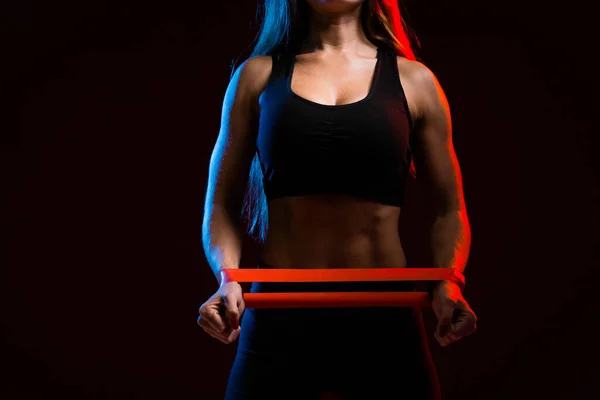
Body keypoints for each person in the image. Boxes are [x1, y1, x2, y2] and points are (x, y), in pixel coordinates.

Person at [198, 0, 478, 398]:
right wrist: (227, 278)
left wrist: (449, 281)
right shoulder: (255, 78)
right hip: (280, 316)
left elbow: (450, 208)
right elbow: (221, 203)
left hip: (385, 318)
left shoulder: (416, 82)